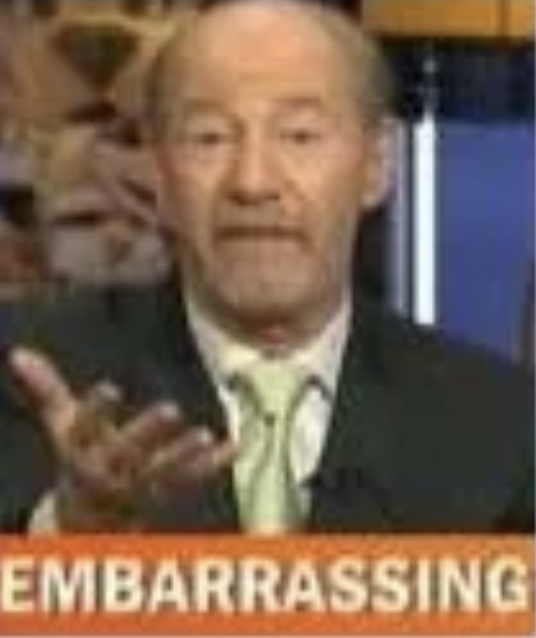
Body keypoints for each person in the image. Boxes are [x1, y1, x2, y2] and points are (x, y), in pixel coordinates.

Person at [0, 0, 532, 533]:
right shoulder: (27, 379)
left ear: (376, 164)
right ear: (158, 173)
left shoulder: (497, 423)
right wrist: (66, 531)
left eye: (299, 136)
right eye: (210, 138)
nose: (253, 183)